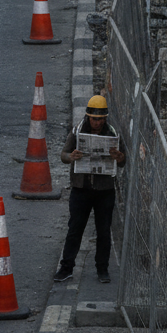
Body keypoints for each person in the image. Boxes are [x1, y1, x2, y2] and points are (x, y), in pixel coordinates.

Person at [55, 95, 126, 285]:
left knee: (104, 231)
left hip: (105, 191)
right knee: (75, 229)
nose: (97, 123)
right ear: (88, 117)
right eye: (94, 119)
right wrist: (71, 156)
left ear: (105, 118)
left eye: (101, 119)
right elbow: (63, 154)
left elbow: (123, 161)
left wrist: (119, 157)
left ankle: (102, 269)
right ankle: (66, 268)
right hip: (81, 190)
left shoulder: (112, 133)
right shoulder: (78, 131)